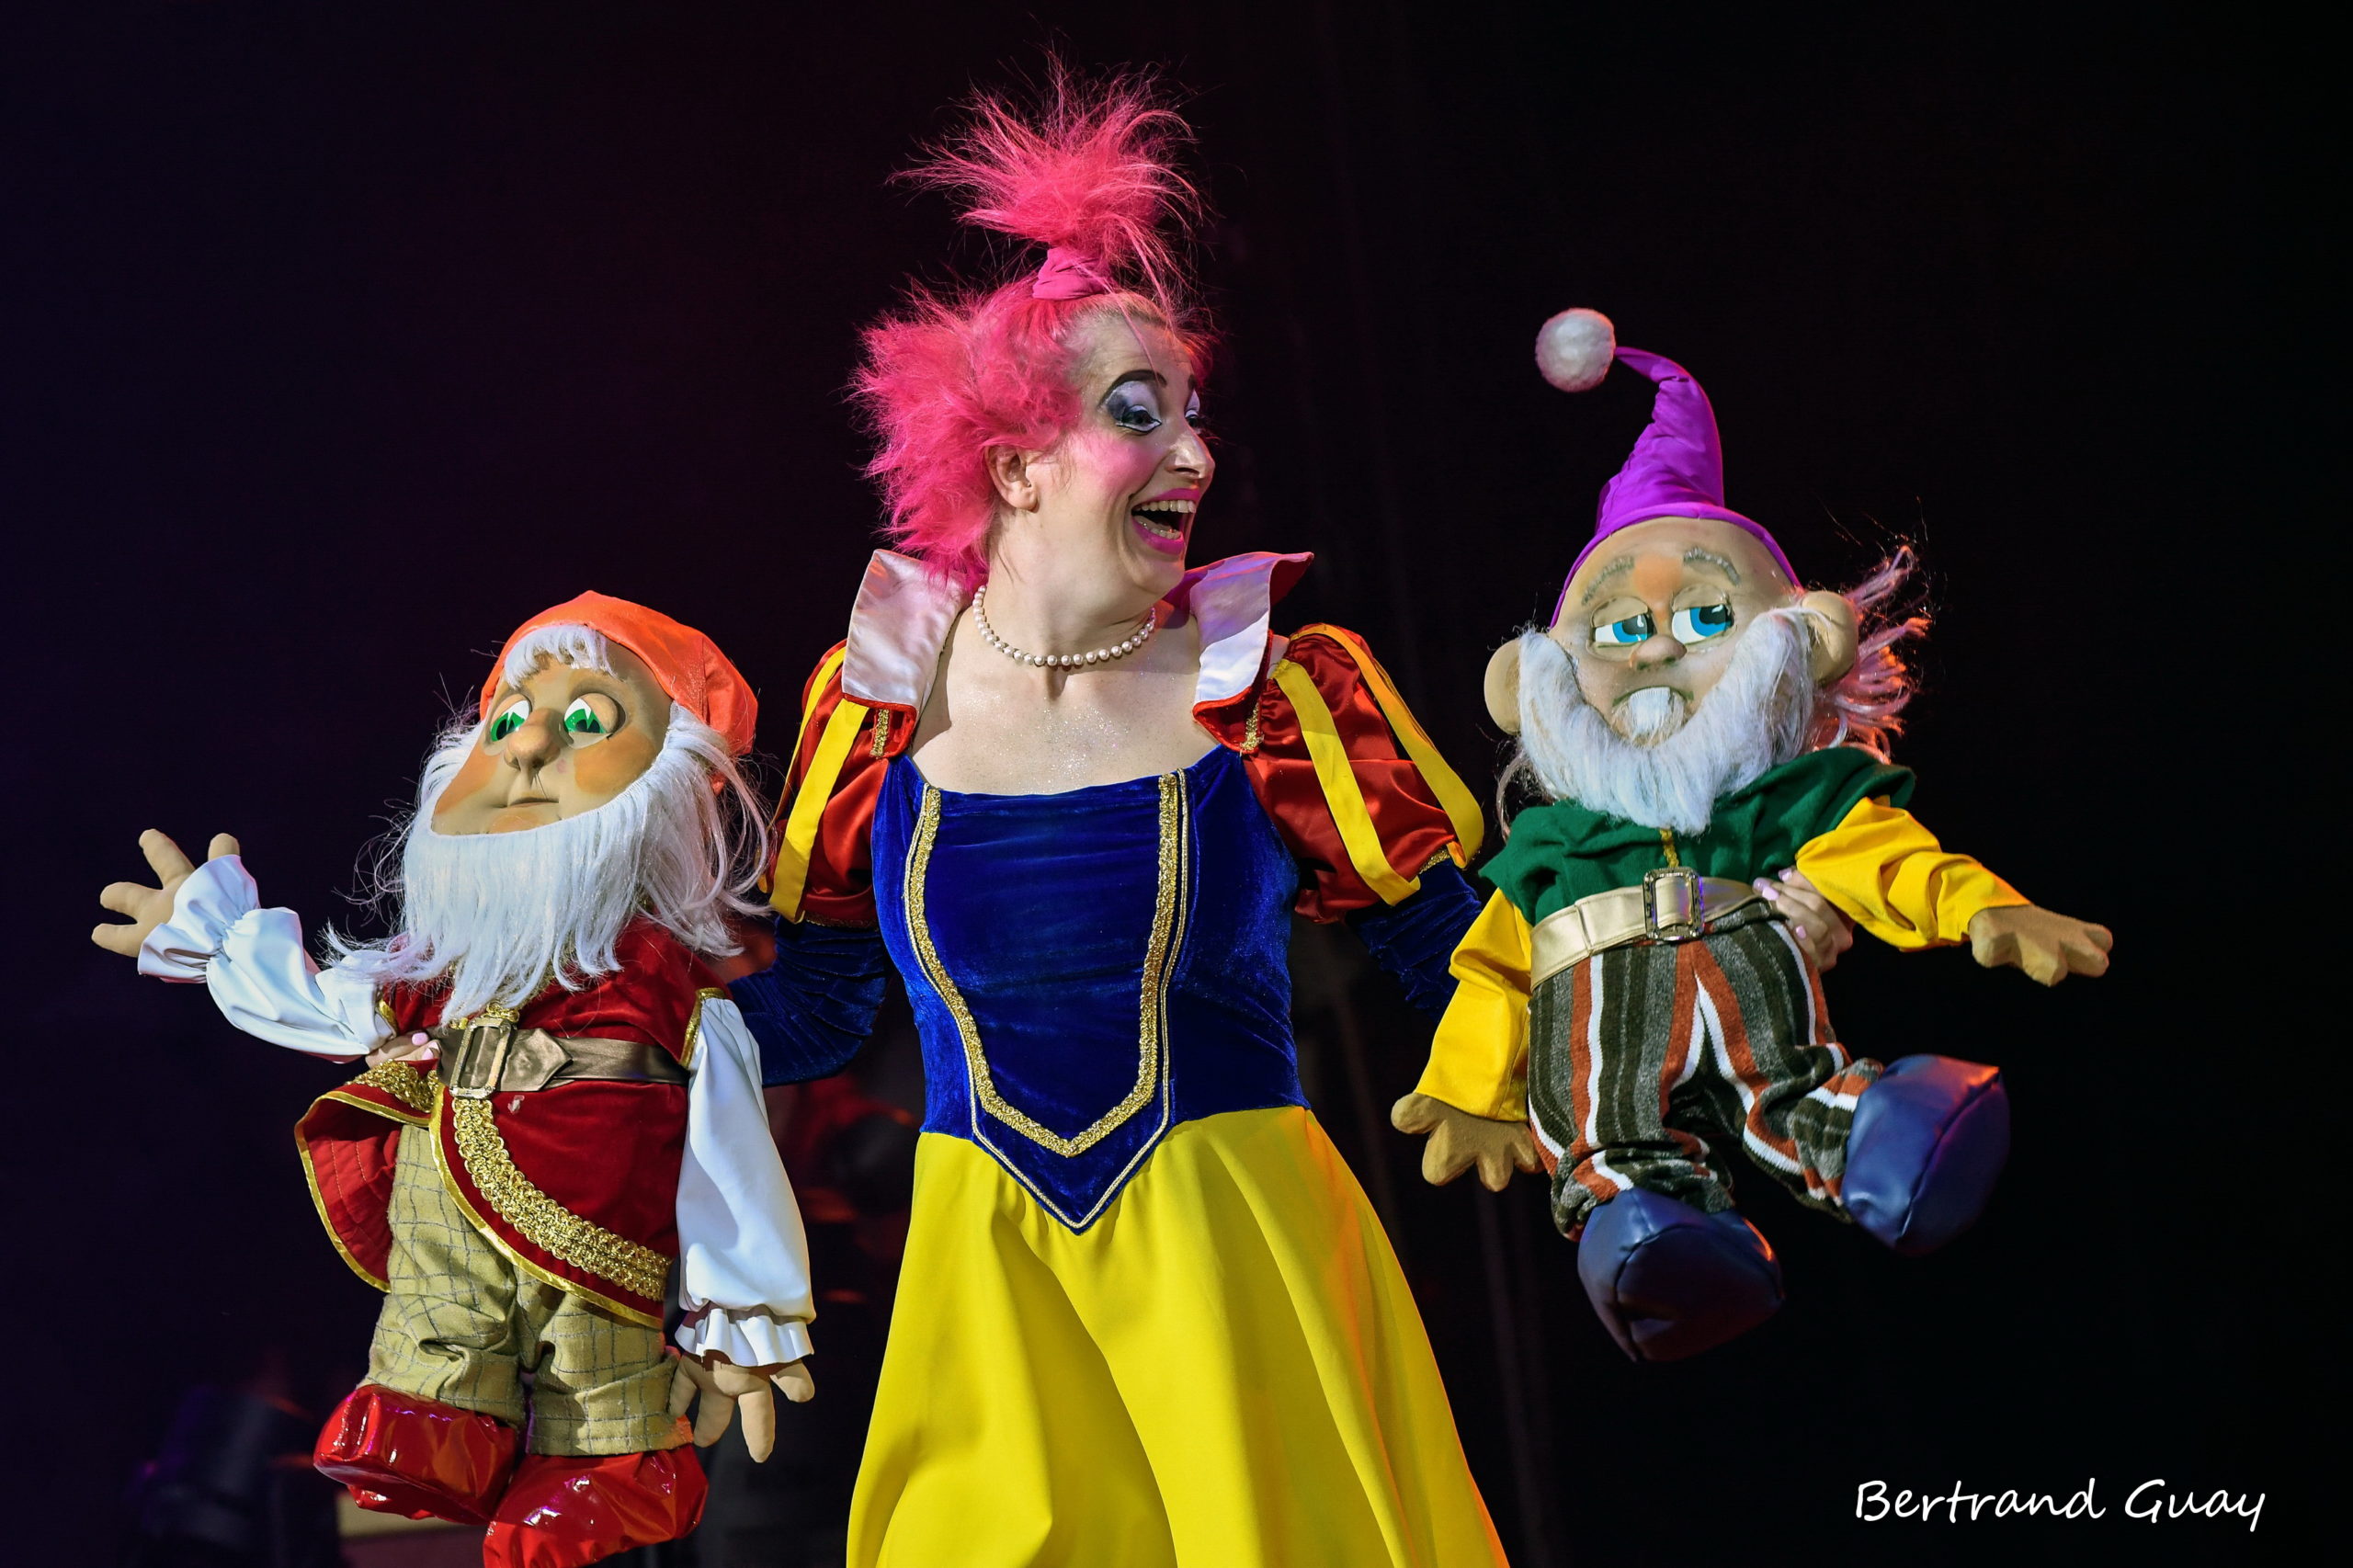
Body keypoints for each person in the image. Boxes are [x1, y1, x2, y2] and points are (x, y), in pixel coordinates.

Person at [728, 71, 1511, 1567]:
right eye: (1139, 415)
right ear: (1010, 462)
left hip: (1232, 1279)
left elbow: (1449, 943)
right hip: (991, 1300)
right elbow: (817, 1006)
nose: (1196, 457)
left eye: (1195, 415)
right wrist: (596, 1032)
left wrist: (1574, 1022)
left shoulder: (1271, 688)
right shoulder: (872, 702)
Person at [1392, 310, 2113, 1363]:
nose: (1652, 654)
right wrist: (1470, 1088)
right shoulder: (1553, 843)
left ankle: (1890, 1142)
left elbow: (1881, 856)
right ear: (1534, 677)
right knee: (1612, 1148)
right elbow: (1496, 965)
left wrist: (1981, 907)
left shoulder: (1778, 800)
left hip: (1752, 987)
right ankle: (1658, 1247)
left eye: (1700, 619)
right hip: (1599, 1021)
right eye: (1620, 629)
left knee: (1803, 1093)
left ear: (1799, 640)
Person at [94, 594, 817, 1567]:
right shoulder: (444, 971)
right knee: (435, 1316)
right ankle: (432, 1420)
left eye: (588, 720)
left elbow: (730, 1159)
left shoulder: (668, 986)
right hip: (445, 1202)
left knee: (597, 1364)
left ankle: (609, 1468)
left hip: (602, 1231)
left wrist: (741, 1316)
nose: (530, 746)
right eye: (507, 720)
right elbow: (326, 1002)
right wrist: (216, 936)